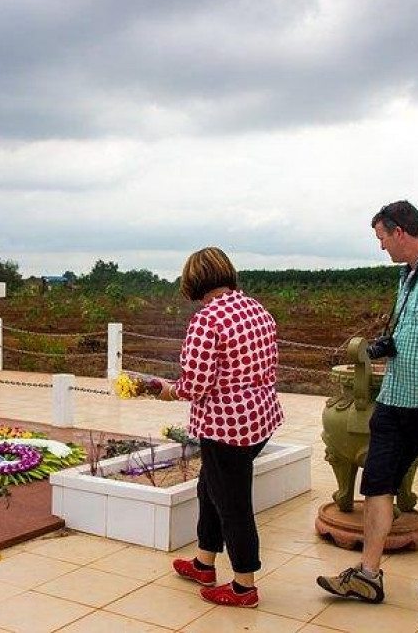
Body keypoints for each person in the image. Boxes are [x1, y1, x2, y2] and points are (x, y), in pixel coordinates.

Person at [317, 200, 418, 604]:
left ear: (400, 232)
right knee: (378, 483)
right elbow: (411, 333)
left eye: (381, 238)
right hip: (395, 400)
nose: (381, 247)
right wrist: (380, 348)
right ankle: (368, 575)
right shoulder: (408, 276)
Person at [159, 247, 283, 608]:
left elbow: (195, 384)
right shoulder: (256, 309)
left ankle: (245, 586)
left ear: (194, 282)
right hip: (259, 419)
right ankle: (204, 561)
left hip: (225, 428)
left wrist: (165, 391)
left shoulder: (207, 319)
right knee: (209, 488)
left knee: (233, 505)